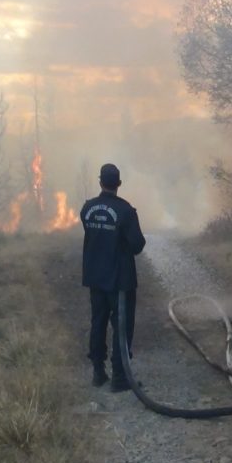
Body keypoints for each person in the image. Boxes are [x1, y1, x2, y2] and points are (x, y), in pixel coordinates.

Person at [80, 163, 146, 392]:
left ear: (100, 182)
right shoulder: (126, 211)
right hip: (119, 281)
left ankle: (98, 372)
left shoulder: (87, 209)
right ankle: (120, 377)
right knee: (122, 326)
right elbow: (138, 245)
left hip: (95, 277)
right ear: (118, 184)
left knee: (97, 323)